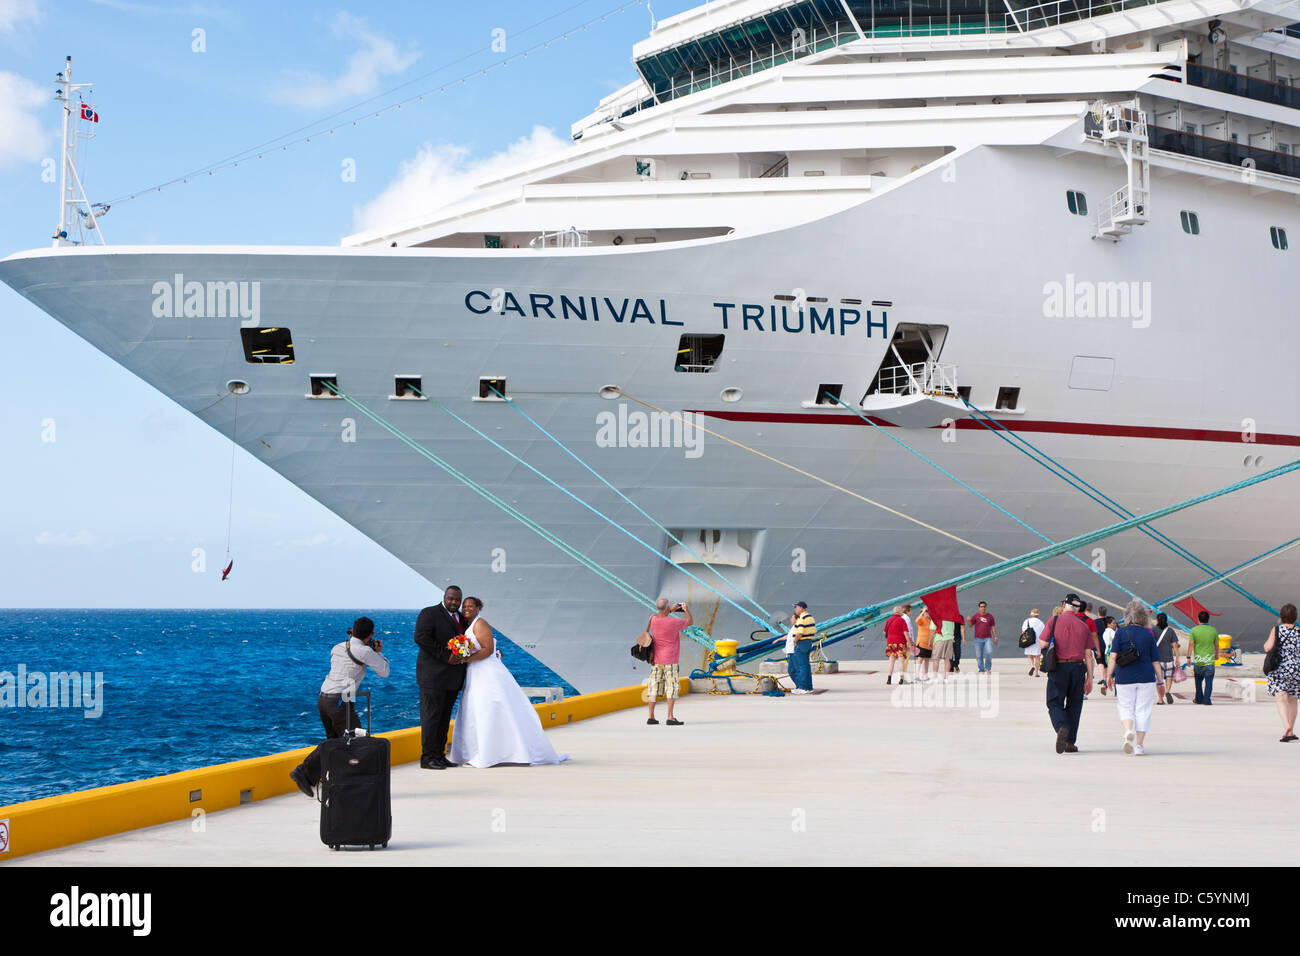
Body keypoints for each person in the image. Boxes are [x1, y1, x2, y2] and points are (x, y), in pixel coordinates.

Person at [448, 597, 568, 766]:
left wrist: (465, 659)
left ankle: (488, 754)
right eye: (464, 606)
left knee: (487, 709)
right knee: (477, 710)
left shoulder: (480, 624)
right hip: (476, 672)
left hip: (486, 673)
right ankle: (484, 752)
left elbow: (488, 650)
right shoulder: (470, 625)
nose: (466, 608)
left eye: (470, 606)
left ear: (478, 608)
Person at [290, 616, 391, 797]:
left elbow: (352, 652)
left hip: (323, 699)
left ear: (352, 631)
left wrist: (366, 645)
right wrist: (378, 652)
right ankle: (304, 772)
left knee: (336, 743)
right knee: (356, 740)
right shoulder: (366, 652)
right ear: (370, 635)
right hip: (340, 702)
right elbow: (384, 671)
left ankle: (334, 783)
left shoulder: (337, 647)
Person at [415, 585, 469, 769]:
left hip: (452, 678)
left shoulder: (462, 618)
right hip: (432, 677)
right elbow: (421, 638)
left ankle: (439, 755)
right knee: (431, 718)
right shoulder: (429, 613)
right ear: (444, 597)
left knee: (444, 718)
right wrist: (446, 656)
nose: (453, 602)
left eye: (457, 600)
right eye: (451, 599)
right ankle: (427, 758)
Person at [1104, 600, 1165, 755]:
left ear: (1126, 616)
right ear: (1144, 617)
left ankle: (1127, 732)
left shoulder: (1120, 633)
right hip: (1146, 677)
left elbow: (1112, 657)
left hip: (1124, 677)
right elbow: (1155, 661)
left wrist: (1109, 676)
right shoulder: (1148, 634)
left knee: (1125, 707)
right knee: (1143, 710)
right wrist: (1160, 681)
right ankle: (1138, 746)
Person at [1039, 594, 1097, 753]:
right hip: (1078, 668)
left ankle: (1061, 726)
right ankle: (1070, 743)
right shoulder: (1084, 625)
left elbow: (1043, 643)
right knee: (1075, 705)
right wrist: (1089, 679)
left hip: (1059, 667)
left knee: (1054, 702)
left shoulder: (1054, 620)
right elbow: (1088, 655)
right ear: (1077, 607)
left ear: (1064, 604)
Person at [646, 598, 692, 722]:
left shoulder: (653, 619)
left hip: (656, 660)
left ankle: (651, 716)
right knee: (671, 688)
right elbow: (689, 622)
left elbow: (661, 614)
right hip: (670, 660)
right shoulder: (673, 622)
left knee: (653, 688)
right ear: (667, 608)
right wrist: (686, 609)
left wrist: (670, 609)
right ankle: (670, 717)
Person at [1263, 603, 1300, 742]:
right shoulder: (1299, 631)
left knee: (1281, 698)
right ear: (1295, 617)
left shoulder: (1277, 630)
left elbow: (1268, 647)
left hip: (1280, 669)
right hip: (1296, 669)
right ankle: (1291, 729)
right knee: (1293, 699)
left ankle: (1286, 728)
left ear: (1282, 616)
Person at [1187, 610, 1219, 705]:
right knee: (1209, 682)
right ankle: (1206, 700)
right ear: (1208, 619)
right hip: (1209, 662)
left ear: (1198, 619)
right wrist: (1217, 655)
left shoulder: (1194, 630)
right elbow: (1217, 645)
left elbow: (1191, 644)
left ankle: (1198, 698)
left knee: (1198, 681)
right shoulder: (1213, 630)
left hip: (1198, 661)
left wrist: (1188, 657)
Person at [788, 601, 817, 695]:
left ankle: (802, 687)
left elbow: (799, 632)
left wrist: (795, 641)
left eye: (796, 607)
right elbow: (814, 631)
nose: (795, 609)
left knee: (801, 666)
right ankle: (809, 687)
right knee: (806, 666)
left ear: (801, 608)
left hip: (801, 643)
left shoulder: (801, 618)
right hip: (808, 642)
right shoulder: (810, 617)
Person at [1153, 612, 1181, 705]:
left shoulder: (1153, 630)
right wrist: (1177, 658)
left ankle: (1160, 699)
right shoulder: (1170, 631)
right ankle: (1167, 691)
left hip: (1157, 660)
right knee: (1169, 677)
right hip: (1168, 659)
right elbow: (1175, 645)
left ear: (1157, 620)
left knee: (1159, 680)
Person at [969, 601, 997, 675]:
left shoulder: (990, 616)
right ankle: (981, 669)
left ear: (986, 607)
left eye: (984, 606)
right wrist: (969, 620)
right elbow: (970, 625)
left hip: (987, 638)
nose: (983, 608)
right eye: (981, 606)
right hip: (977, 639)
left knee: (989, 652)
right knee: (979, 655)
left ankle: (988, 668)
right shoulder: (976, 616)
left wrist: (995, 637)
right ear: (979, 608)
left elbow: (993, 627)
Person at [884, 605, 909, 684]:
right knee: (901, 661)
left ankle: (889, 679)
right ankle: (901, 679)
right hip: (900, 643)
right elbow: (906, 633)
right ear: (899, 611)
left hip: (891, 643)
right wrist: (909, 642)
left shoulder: (888, 620)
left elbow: (884, 632)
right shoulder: (902, 620)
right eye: (902, 611)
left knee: (891, 662)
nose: (903, 612)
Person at [1021, 608, 1045, 676]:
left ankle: (1032, 666)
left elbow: (1023, 632)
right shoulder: (1041, 622)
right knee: (1037, 656)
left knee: (1030, 656)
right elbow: (1044, 633)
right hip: (1038, 641)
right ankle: (1036, 673)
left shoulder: (1026, 621)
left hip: (1029, 640)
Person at [915, 606, 934, 682]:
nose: (928, 613)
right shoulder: (922, 619)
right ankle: (917, 675)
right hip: (922, 642)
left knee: (927, 660)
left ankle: (925, 676)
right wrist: (923, 612)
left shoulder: (931, 621)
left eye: (928, 612)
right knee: (920, 659)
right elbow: (917, 620)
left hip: (929, 644)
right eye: (927, 612)